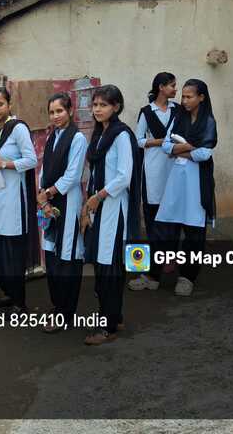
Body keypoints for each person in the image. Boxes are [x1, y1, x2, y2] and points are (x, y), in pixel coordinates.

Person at [83, 85, 141, 345]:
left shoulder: (121, 135)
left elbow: (124, 176)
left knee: (109, 268)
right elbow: (96, 172)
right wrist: (90, 202)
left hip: (114, 209)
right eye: (95, 105)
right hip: (100, 208)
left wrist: (98, 196)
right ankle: (114, 317)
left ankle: (108, 327)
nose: (97, 110)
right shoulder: (100, 134)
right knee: (103, 266)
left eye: (103, 105)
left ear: (116, 107)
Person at [155, 78, 217, 297]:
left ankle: (187, 277)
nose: (184, 100)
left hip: (197, 183)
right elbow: (165, 146)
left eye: (189, 97)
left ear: (201, 97)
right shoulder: (178, 117)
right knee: (164, 228)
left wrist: (179, 150)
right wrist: (189, 146)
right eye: (183, 96)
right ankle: (153, 275)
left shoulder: (208, 122)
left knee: (193, 232)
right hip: (176, 181)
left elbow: (204, 153)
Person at [0, 87, 38, 312]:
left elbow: (31, 160)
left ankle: (19, 302)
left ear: (9, 105)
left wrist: (4, 164)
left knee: (14, 252)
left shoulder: (18, 128)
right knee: (0, 250)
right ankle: (8, 293)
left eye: (0, 104)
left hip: (14, 198)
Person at [37, 92, 88, 333]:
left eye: (60, 111)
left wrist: (47, 194)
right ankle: (57, 305)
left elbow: (72, 176)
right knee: (52, 256)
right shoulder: (52, 137)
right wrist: (43, 197)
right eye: (52, 112)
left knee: (67, 257)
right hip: (49, 203)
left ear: (70, 111)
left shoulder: (77, 139)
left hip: (68, 202)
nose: (55, 116)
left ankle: (66, 312)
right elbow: (44, 170)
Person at [129, 72, 178, 291]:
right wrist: (161, 142)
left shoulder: (177, 110)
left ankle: (168, 260)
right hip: (153, 172)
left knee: (173, 220)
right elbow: (139, 141)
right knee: (153, 222)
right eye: (172, 85)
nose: (175, 89)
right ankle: (151, 272)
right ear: (161, 87)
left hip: (175, 170)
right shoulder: (147, 112)